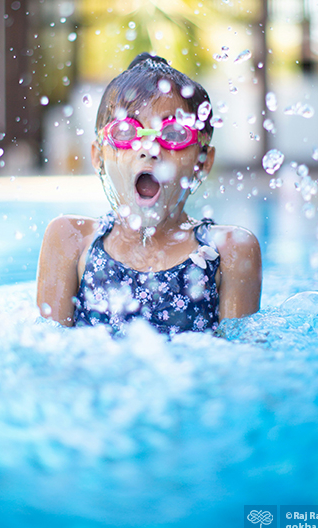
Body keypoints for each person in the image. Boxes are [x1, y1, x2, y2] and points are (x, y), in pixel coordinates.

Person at [37, 53, 261, 335]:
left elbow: (241, 364)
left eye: (175, 134)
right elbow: (49, 357)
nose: (149, 148)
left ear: (203, 161)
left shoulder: (229, 249)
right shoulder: (71, 239)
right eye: (126, 131)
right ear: (98, 156)